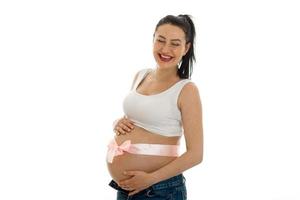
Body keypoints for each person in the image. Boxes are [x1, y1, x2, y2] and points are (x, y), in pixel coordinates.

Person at [106, 14, 203, 200]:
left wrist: (150, 179)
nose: (166, 49)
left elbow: (196, 154)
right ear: (153, 39)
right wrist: (117, 123)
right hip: (126, 188)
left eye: (175, 43)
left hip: (159, 190)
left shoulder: (186, 90)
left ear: (186, 48)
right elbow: (142, 117)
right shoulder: (141, 75)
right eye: (161, 40)